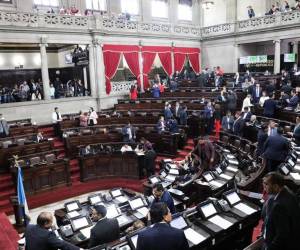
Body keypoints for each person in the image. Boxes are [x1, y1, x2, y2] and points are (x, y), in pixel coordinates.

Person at [262, 172, 300, 250]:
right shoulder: (287, 191)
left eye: (266, 184)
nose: (263, 186)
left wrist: (270, 248)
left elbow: (282, 235)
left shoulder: (279, 206)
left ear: (276, 186)